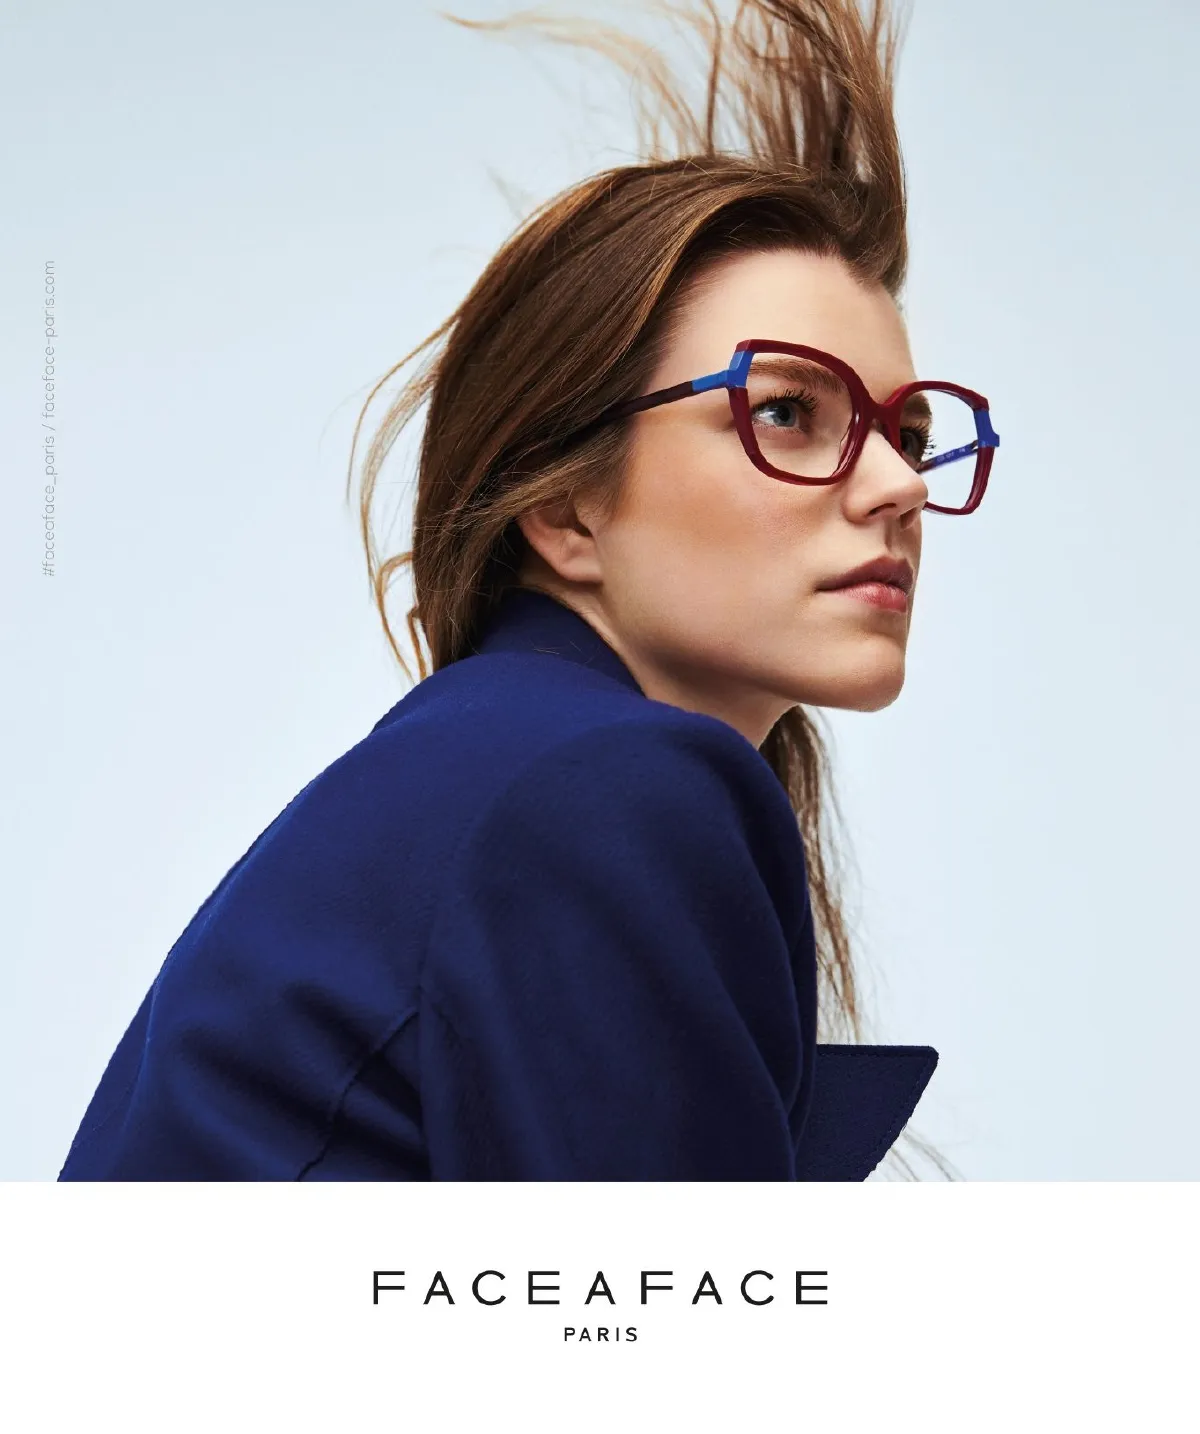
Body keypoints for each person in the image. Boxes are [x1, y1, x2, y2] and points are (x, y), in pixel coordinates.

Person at [59, 0, 995, 1182]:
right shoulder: (597, 788)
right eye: (786, 413)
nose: (898, 485)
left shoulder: (506, 767)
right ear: (563, 509)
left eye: (908, 433)